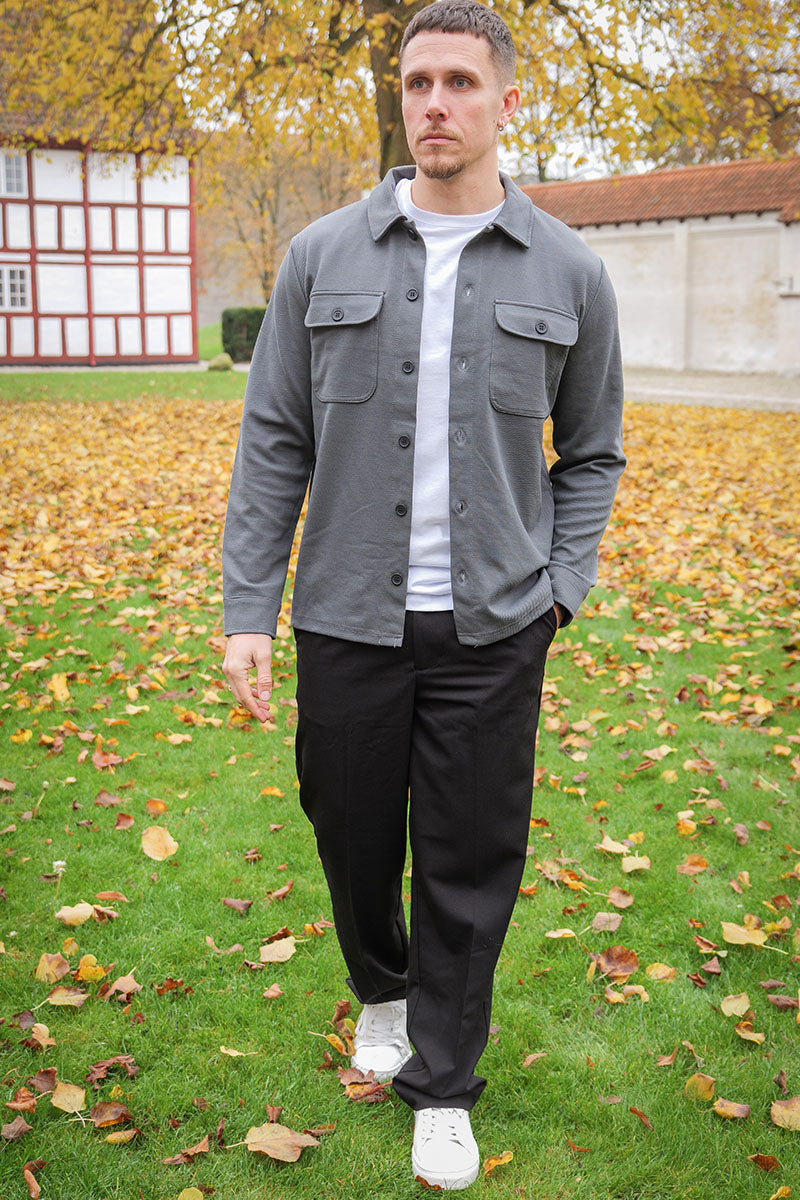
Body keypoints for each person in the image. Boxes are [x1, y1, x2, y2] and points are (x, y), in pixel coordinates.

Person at [221, 0, 625, 1188]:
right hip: (345, 614)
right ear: (399, 97)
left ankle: (442, 1084)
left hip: (495, 625)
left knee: (467, 856)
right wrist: (248, 608)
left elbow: (591, 452)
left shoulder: (569, 270)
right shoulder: (320, 257)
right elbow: (273, 439)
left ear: (505, 101)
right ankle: (383, 988)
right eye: (416, 83)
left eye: (458, 81)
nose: (434, 104)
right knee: (348, 834)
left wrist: (559, 589)